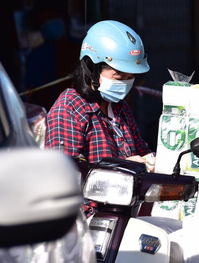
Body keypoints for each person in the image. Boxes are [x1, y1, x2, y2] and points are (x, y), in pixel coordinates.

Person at [45, 20, 154, 167]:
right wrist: (122, 166)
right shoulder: (69, 109)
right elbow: (65, 173)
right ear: (92, 69)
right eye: (119, 76)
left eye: (130, 77)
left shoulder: (120, 108)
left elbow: (142, 152)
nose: (125, 83)